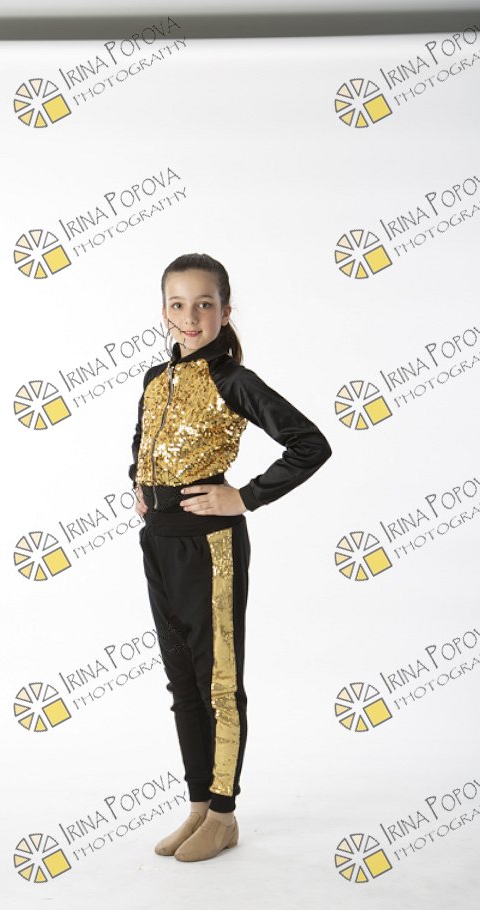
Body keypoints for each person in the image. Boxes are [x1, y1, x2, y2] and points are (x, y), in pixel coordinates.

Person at [130, 252, 332, 863]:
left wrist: (243, 497)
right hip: (158, 540)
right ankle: (198, 803)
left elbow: (309, 443)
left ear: (225, 311)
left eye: (204, 304)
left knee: (218, 680)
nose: (190, 317)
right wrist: (138, 483)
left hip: (210, 544)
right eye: (178, 305)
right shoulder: (155, 379)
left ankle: (224, 814)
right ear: (163, 311)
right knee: (181, 680)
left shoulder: (233, 381)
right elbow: (143, 440)